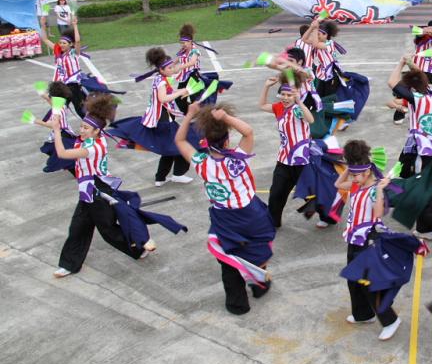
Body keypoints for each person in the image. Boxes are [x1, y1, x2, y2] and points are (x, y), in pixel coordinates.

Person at [49, 94, 171, 278]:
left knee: (108, 231)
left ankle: (139, 247)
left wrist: (56, 131)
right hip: (88, 191)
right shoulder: (94, 138)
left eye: (86, 128)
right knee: (78, 228)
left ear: (96, 131)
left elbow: (62, 153)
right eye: (81, 126)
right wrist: (55, 117)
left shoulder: (92, 148)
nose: (81, 130)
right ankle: (69, 264)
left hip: (98, 192)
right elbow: (72, 133)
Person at [175, 102, 276, 315]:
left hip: (223, 217)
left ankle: (237, 304)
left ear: (206, 142)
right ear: (228, 139)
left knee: (228, 257)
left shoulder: (201, 163)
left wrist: (190, 115)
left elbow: (180, 140)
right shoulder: (237, 161)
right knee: (257, 248)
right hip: (250, 214)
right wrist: (226, 118)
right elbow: (248, 132)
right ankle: (259, 283)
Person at [335, 139, 406, 340]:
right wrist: (350, 170)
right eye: (353, 173)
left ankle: (391, 320)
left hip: (368, 241)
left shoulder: (375, 189)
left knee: (368, 284)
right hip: (353, 240)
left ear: (368, 172)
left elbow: (378, 214)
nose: (354, 177)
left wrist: (381, 190)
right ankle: (363, 314)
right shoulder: (356, 184)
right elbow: (338, 184)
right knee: (353, 281)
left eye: (357, 173)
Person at [108, 47, 194, 186]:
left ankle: (161, 178)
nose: (173, 69)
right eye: (170, 67)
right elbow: (163, 98)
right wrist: (180, 92)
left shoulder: (163, 78)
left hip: (163, 119)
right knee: (181, 144)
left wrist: (181, 89)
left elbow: (170, 88)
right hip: (164, 121)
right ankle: (177, 174)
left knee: (169, 148)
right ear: (162, 70)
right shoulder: (161, 81)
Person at [259, 71, 315, 229]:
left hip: (302, 161)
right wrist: (266, 87)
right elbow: (262, 105)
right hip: (284, 159)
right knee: (276, 193)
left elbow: (310, 119)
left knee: (312, 196)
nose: (285, 98)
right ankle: (272, 222)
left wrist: (299, 101)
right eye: (282, 94)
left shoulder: (298, 109)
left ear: (295, 95)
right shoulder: (278, 108)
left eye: (288, 95)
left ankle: (329, 216)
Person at [388, 53, 432, 179]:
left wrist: (401, 63)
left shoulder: (416, 98)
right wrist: (410, 62)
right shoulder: (431, 94)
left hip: (420, 144)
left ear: (411, 88)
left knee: (412, 173)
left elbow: (391, 82)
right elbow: (420, 75)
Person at [42, 20, 84, 116]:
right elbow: (45, 39)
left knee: (79, 109)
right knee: (58, 109)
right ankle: (59, 128)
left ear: (71, 44)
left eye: (64, 43)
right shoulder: (58, 52)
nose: (61, 45)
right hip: (61, 86)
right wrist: (43, 26)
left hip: (73, 86)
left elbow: (77, 41)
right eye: (60, 43)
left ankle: (93, 126)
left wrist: (75, 25)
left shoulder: (73, 53)